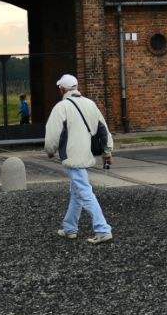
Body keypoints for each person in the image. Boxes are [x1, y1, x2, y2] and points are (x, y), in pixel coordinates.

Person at [43, 74, 114, 244]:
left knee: (84, 191)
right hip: (86, 153)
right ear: (76, 87)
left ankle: (103, 229)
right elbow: (103, 128)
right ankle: (69, 228)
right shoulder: (90, 104)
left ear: (62, 89)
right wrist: (107, 152)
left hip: (71, 155)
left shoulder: (62, 107)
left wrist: (50, 150)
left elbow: (52, 133)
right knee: (77, 191)